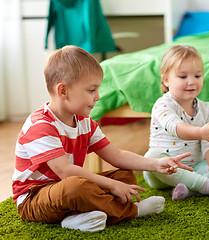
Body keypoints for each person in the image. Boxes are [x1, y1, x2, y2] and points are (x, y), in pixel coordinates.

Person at [12, 45, 194, 232]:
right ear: (63, 91)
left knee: (124, 174)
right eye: (91, 90)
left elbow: (116, 155)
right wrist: (111, 186)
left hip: (66, 187)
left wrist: (156, 163)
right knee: (75, 187)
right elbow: (65, 171)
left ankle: (77, 218)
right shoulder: (40, 125)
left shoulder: (85, 122)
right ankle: (130, 211)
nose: (98, 97)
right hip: (33, 199)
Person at [143, 45, 209, 201]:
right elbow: (176, 127)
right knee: (152, 157)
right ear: (166, 80)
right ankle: (205, 186)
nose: (191, 82)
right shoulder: (162, 105)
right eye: (183, 77)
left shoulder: (206, 108)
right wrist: (201, 132)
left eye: (197, 76)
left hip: (195, 167)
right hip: (163, 171)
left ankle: (191, 189)